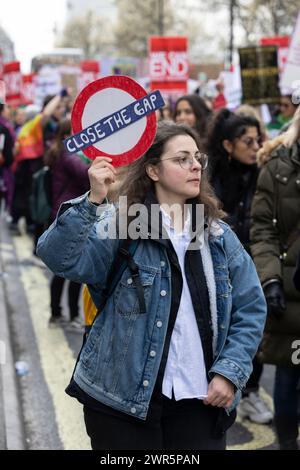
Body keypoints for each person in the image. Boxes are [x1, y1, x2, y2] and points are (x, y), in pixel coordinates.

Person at [37, 121, 266, 450]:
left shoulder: (217, 235)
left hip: (199, 400)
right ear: (153, 171)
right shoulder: (122, 223)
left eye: (197, 157)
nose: (195, 165)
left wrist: (230, 371)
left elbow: (251, 306)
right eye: (182, 159)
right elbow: (57, 257)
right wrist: (92, 200)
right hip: (121, 403)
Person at [207, 108, 273, 424]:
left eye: (258, 140)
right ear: (228, 145)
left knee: (253, 327)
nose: (255, 146)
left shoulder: (265, 172)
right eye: (247, 141)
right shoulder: (208, 180)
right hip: (217, 266)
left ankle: (249, 393)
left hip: (255, 261)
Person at [250, 106, 300, 449]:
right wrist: (270, 280)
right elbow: (263, 231)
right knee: (289, 373)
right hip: (291, 290)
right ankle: (287, 443)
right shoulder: (276, 167)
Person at [44, 119, 90, 331]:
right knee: (72, 269)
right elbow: (86, 176)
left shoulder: (62, 152)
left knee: (64, 269)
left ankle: (58, 314)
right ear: (66, 136)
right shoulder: (69, 155)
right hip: (71, 216)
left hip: (66, 214)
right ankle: (69, 315)